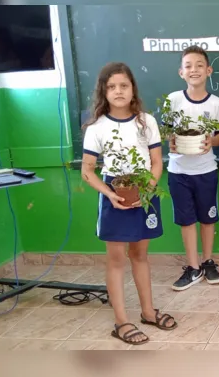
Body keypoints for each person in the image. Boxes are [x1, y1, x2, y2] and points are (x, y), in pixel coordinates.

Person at [81, 62, 177, 345]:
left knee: (140, 254)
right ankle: (121, 321)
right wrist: (110, 193)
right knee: (116, 259)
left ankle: (148, 311)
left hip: (144, 191)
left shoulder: (146, 122)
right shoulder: (97, 127)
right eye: (111, 87)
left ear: (133, 88)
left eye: (123, 85)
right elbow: (87, 170)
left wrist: (147, 188)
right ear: (103, 92)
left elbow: (157, 162)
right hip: (115, 191)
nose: (118, 91)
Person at [167, 45, 219, 291]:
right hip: (178, 171)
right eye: (189, 66)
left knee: (207, 218)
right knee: (186, 220)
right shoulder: (173, 100)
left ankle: (207, 261)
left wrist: (210, 141)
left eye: (199, 65)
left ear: (209, 70)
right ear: (181, 72)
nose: (194, 70)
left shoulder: (216, 103)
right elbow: (165, 133)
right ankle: (193, 267)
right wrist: (170, 141)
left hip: (205, 170)